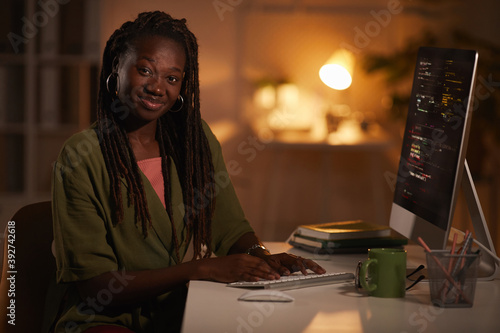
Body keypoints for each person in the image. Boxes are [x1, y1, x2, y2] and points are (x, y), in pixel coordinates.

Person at [46, 11, 325, 333]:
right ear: (116, 69)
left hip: (179, 309)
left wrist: (263, 259)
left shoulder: (193, 140)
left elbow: (229, 227)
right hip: (103, 321)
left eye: (172, 78)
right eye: (145, 70)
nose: (157, 87)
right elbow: (97, 287)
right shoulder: (81, 157)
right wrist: (202, 268)